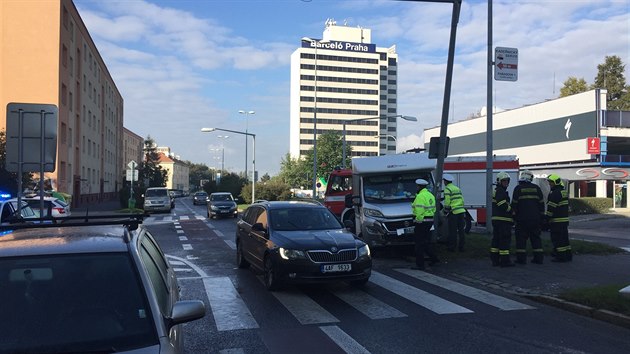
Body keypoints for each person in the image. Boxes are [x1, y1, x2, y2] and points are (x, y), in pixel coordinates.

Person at [511, 170, 545, 264]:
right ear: (530, 178)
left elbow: (514, 204)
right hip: (535, 220)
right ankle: (539, 259)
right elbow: (542, 204)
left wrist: (513, 217)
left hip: (522, 220)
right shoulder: (537, 188)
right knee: (536, 239)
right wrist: (541, 218)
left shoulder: (518, 189)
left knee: (521, 240)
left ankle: (521, 259)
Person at [411, 178, 439, 270]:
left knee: (419, 244)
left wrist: (417, 221)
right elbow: (434, 209)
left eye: (417, 186)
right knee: (426, 242)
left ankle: (420, 265)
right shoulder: (430, 195)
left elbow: (419, 211)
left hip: (421, 222)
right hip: (430, 221)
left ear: (419, 186)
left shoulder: (420, 196)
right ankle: (434, 258)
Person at [545, 174, 572, 262]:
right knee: (564, 239)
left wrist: (546, 219)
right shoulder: (563, 191)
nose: (550, 184)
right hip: (564, 220)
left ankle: (560, 257)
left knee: (557, 240)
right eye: (549, 182)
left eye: (551, 182)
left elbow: (551, 208)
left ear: (556, 182)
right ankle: (568, 255)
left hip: (556, 221)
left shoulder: (555, 193)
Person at [491, 171, 515, 267]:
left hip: (497, 220)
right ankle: (505, 261)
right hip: (503, 221)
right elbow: (502, 204)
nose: (506, 183)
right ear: (499, 181)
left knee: (496, 241)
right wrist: (511, 210)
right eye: (504, 181)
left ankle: (495, 260)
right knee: (504, 241)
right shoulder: (500, 191)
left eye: (507, 181)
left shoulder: (498, 190)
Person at [442, 173, 466, 252]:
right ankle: (461, 247)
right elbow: (462, 199)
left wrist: (445, 212)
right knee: (461, 230)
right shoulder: (457, 188)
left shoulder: (447, 189)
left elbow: (447, 202)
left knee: (453, 230)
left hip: (454, 212)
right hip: (461, 211)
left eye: (444, 181)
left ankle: (452, 247)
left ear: (445, 181)